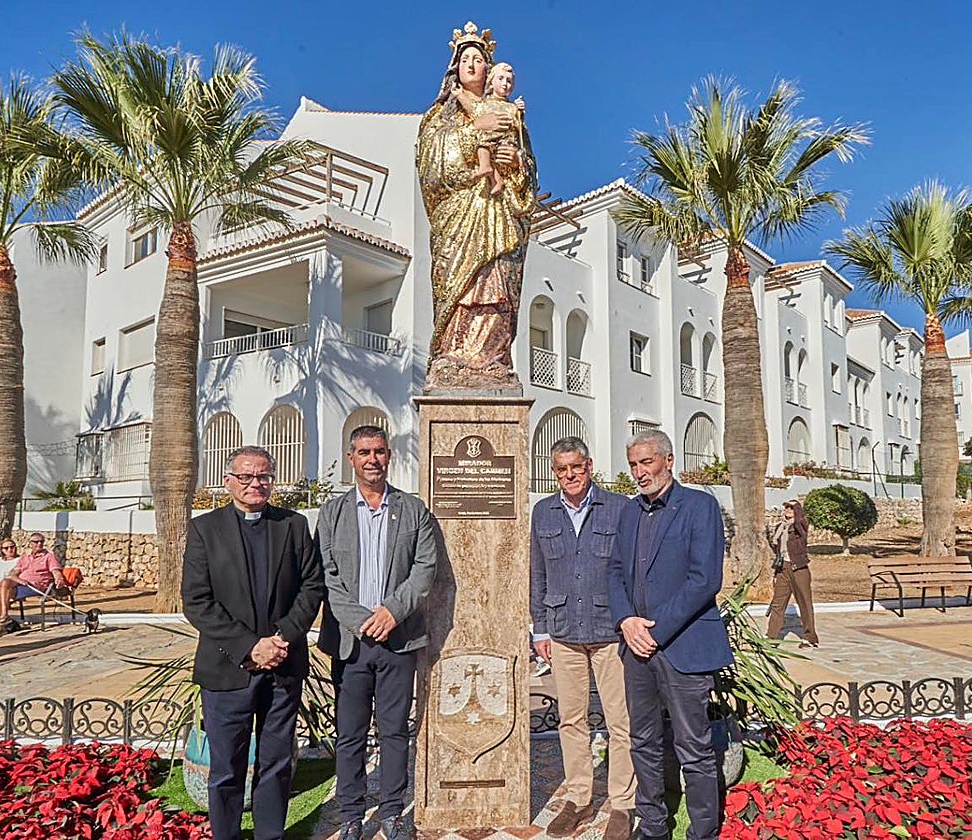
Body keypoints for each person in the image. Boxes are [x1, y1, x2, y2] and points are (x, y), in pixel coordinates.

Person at [182, 445, 325, 840]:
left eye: (263, 476)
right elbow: (197, 601)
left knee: (277, 763)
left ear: (272, 480)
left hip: (283, 664)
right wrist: (250, 646)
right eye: (245, 476)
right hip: (227, 670)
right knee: (226, 766)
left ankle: (270, 835)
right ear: (229, 481)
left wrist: (281, 639)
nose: (254, 484)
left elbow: (312, 587)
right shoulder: (205, 530)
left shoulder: (293, 525)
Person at [609, 431, 734, 840]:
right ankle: (654, 826)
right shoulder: (628, 513)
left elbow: (704, 580)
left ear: (669, 460)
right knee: (642, 742)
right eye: (633, 465)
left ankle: (703, 831)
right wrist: (627, 620)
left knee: (693, 748)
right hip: (637, 649)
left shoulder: (699, 507)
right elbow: (613, 573)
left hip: (683, 647)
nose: (640, 472)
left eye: (647, 462)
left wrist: (655, 631)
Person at [317, 426, 438, 840]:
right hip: (352, 643)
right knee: (350, 734)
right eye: (364, 451)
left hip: (397, 639)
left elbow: (424, 569)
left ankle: (390, 811)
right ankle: (351, 813)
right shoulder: (332, 514)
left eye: (380, 452)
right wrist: (361, 620)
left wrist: (392, 612)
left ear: (389, 457)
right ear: (351, 457)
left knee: (392, 731)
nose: (373, 459)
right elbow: (328, 577)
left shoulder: (413, 510)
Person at [416, 20, 537, 390]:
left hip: (500, 213)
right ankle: (455, 356)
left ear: (488, 69)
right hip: (459, 217)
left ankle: (493, 359)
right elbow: (433, 163)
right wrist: (474, 133)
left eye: (478, 60)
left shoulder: (507, 112)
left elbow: (529, 171)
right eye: (465, 59)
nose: (471, 65)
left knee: (497, 283)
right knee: (464, 285)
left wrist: (516, 161)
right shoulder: (440, 116)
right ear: (455, 68)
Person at [531, 437, 637, 840]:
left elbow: (631, 571)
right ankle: (579, 798)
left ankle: (622, 804)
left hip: (610, 630)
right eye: (561, 469)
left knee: (620, 721)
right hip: (563, 631)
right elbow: (537, 573)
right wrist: (539, 628)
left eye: (576, 467)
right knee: (571, 720)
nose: (570, 475)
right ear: (554, 471)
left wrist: (631, 618)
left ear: (589, 465)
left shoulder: (619, 508)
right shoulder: (543, 513)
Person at [454, 61, 525, 195]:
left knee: (483, 143)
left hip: (502, 140)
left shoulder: (511, 107)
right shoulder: (485, 104)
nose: (505, 84)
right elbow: (472, 108)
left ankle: (488, 170)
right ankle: (495, 179)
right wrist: (459, 95)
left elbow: (519, 136)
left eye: (509, 81)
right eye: (501, 79)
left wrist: (518, 159)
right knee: (484, 145)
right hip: (490, 141)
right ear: (491, 82)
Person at [766, 499, 818, 648]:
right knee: (778, 603)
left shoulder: (799, 526)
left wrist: (797, 512)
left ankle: (810, 637)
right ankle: (772, 637)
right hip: (783, 568)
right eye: (786, 507)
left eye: (791, 508)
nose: (787, 510)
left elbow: (801, 525)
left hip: (798, 568)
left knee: (804, 603)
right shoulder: (781, 527)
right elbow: (778, 549)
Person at [0, 532, 65, 635]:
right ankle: (3, 620)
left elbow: (55, 570)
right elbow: (13, 573)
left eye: (41, 542)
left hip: (36, 586)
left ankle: (3, 619)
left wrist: (59, 578)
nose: (39, 544)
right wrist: (20, 580)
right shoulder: (25, 557)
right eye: (36, 542)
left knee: (3, 588)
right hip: (21, 585)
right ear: (30, 544)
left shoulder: (49, 556)